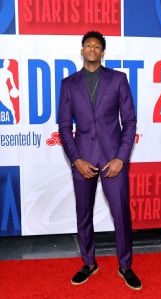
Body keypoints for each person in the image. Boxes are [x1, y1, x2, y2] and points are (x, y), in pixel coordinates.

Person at [58, 31, 142, 290]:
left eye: (97, 46)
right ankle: (89, 263)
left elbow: (129, 122)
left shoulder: (118, 79)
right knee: (83, 214)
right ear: (82, 51)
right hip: (83, 159)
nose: (92, 48)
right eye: (88, 45)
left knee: (121, 215)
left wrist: (120, 158)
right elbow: (63, 127)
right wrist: (76, 160)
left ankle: (125, 266)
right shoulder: (68, 84)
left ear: (102, 52)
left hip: (112, 160)